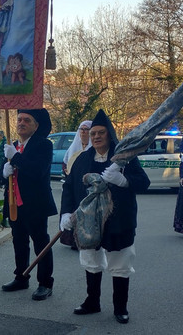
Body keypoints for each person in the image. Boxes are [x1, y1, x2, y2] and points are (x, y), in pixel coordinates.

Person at [60, 109, 150, 324]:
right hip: (89, 221)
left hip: (118, 220)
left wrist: (123, 180)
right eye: (93, 134)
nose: (97, 137)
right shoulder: (82, 159)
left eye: (101, 133)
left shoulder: (124, 158)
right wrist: (65, 213)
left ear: (110, 134)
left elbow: (143, 182)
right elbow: (69, 188)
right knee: (91, 260)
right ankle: (92, 302)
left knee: (119, 262)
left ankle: (120, 307)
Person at [0, 109, 57, 301]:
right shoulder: (13, 145)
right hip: (15, 203)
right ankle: (21, 277)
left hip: (35, 203)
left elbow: (37, 171)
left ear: (36, 125)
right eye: (19, 119)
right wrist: (3, 172)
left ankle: (45, 283)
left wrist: (15, 157)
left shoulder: (44, 145)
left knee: (41, 242)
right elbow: (2, 176)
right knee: (19, 241)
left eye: (27, 120)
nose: (21, 123)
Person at [60, 120, 91, 249]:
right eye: (81, 129)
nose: (83, 132)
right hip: (73, 184)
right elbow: (66, 162)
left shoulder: (92, 149)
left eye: (86, 129)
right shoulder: (74, 147)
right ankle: (73, 240)